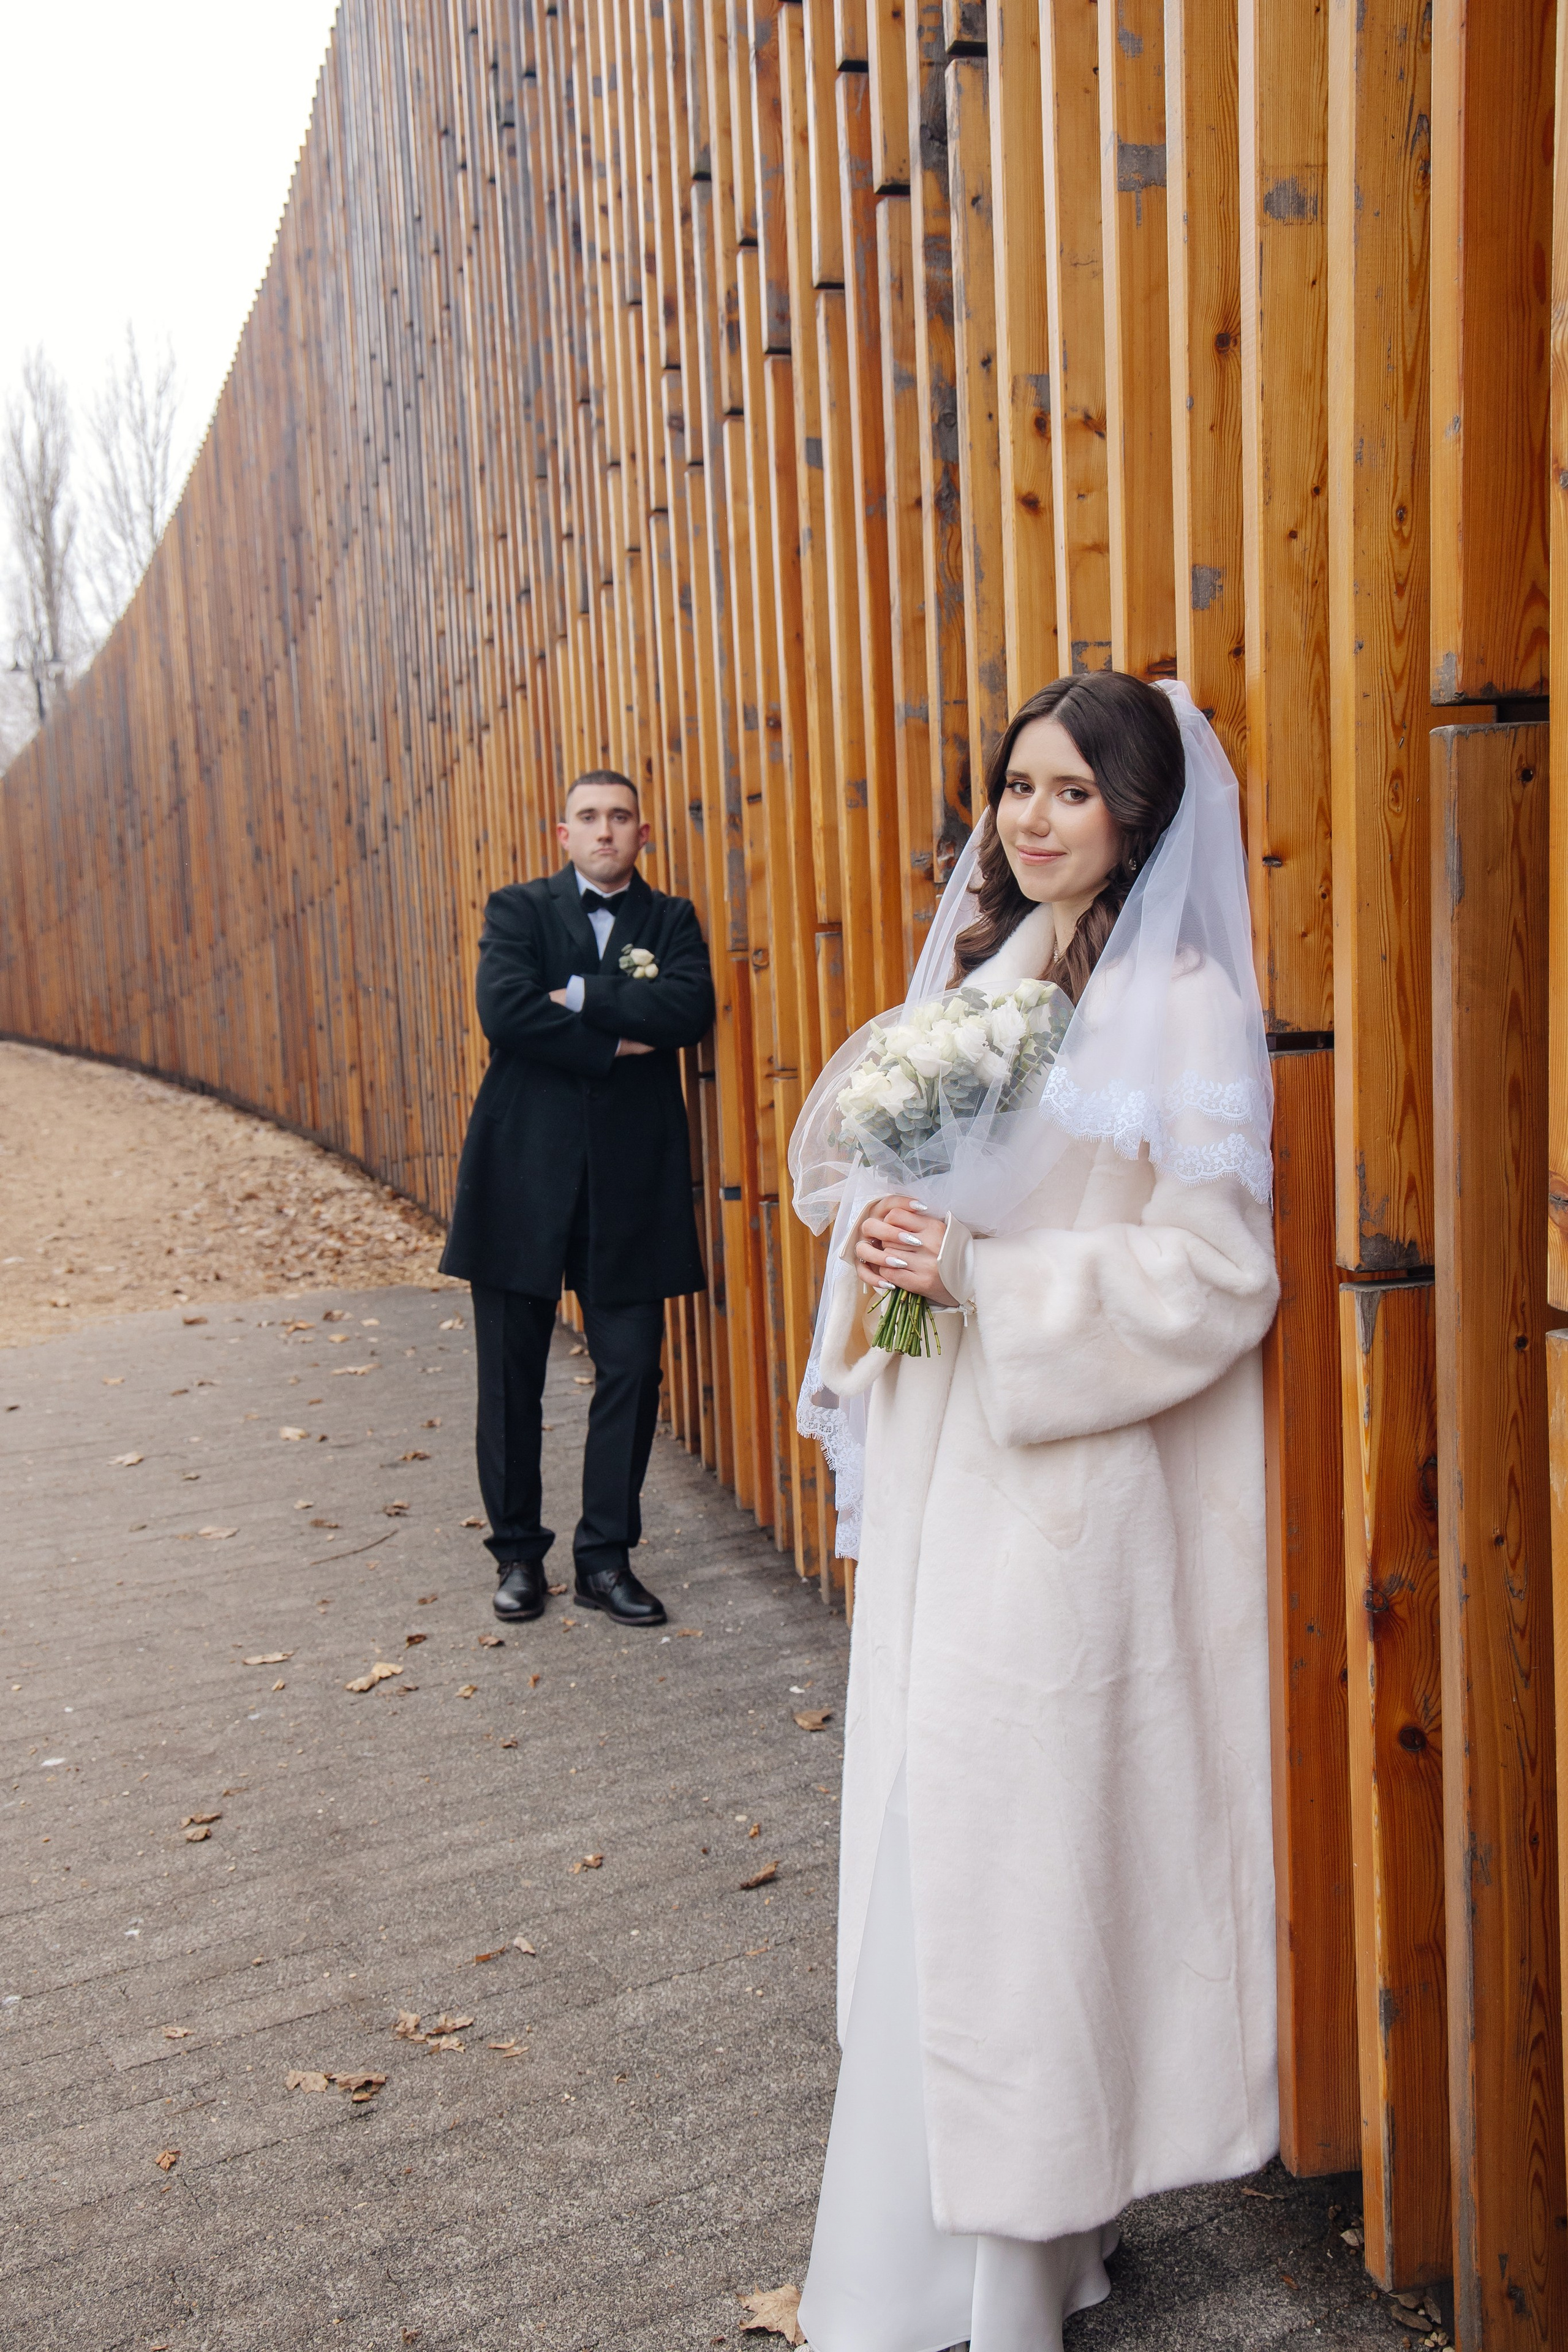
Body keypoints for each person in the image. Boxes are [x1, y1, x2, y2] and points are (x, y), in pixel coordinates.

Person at [789, 673, 1280, 2352]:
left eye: (1072, 791)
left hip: (1066, 1502)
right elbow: (914, 1212)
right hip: (950, 1473)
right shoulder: (984, 982)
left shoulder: (1183, 1005)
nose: (1033, 818)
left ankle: (1003, 2275)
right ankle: (979, 2260)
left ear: (1137, 815)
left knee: (1012, 1875)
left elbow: (1219, 1276)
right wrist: (891, 1254)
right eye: (1017, 787)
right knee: (940, 1846)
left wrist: (991, 1279)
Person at [441, 769, 715, 1628]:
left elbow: (688, 1009)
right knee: (509, 1378)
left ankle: (605, 1559)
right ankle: (518, 1556)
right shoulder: (518, 910)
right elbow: (505, 1011)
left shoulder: (671, 920)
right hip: (521, 1171)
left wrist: (585, 995)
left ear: (642, 833)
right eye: (589, 818)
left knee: (632, 1369)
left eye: (621, 817)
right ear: (563, 835)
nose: (605, 830)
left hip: (630, 1182)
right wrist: (618, 1042)